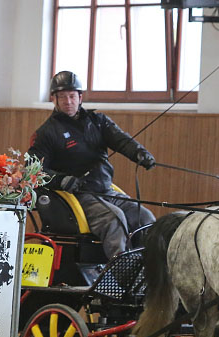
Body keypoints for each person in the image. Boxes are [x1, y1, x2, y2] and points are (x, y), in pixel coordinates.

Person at [28, 70, 156, 259]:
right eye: (62, 97)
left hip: (106, 191)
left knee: (145, 218)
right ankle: (121, 274)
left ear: (80, 97)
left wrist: (140, 154)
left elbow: (122, 141)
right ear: (54, 99)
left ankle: (146, 272)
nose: (68, 101)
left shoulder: (98, 121)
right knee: (115, 219)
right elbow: (32, 170)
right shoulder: (46, 133)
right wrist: (62, 180)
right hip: (78, 197)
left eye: (72, 96)